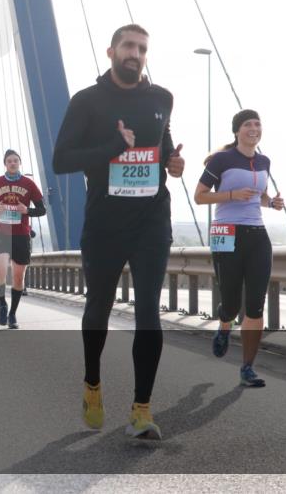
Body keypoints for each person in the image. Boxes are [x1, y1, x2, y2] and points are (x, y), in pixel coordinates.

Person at [53, 23, 185, 440]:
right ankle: (92, 383)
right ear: (111, 51)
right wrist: (113, 147)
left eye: (142, 48)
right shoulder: (87, 101)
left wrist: (173, 163)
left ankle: (142, 410)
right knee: (99, 308)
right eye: (128, 46)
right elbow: (61, 160)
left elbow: (163, 146)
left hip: (151, 221)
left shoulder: (162, 98)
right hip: (105, 224)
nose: (135, 54)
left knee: (148, 312)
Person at [195, 110, 284, 388]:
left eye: (258, 123)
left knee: (255, 306)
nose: (254, 128)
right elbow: (199, 196)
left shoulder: (264, 161)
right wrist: (232, 195)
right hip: (226, 232)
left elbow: (260, 196)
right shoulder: (222, 160)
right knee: (232, 303)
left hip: (257, 235)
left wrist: (272, 203)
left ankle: (247, 368)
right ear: (237, 131)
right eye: (248, 124)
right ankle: (225, 325)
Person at [0, 151, 46, 329]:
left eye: (15, 161)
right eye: (9, 161)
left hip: (21, 235)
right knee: (0, 271)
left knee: (18, 277)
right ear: (5, 163)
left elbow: (42, 210)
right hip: (0, 233)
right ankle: (2, 303)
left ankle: (12, 314)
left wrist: (27, 210)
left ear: (19, 163)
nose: (12, 163)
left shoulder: (29, 184)